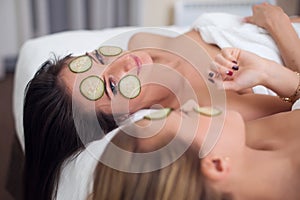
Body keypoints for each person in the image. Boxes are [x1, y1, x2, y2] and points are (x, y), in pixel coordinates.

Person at [23, 3, 296, 200]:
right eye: (113, 85)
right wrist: (278, 25)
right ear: (126, 119)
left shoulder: (143, 40)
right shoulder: (215, 115)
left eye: (100, 56)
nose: (125, 61)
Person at [90, 48, 300, 200]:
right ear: (216, 165)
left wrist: (271, 74)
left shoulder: (254, 148)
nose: (191, 106)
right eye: (185, 116)